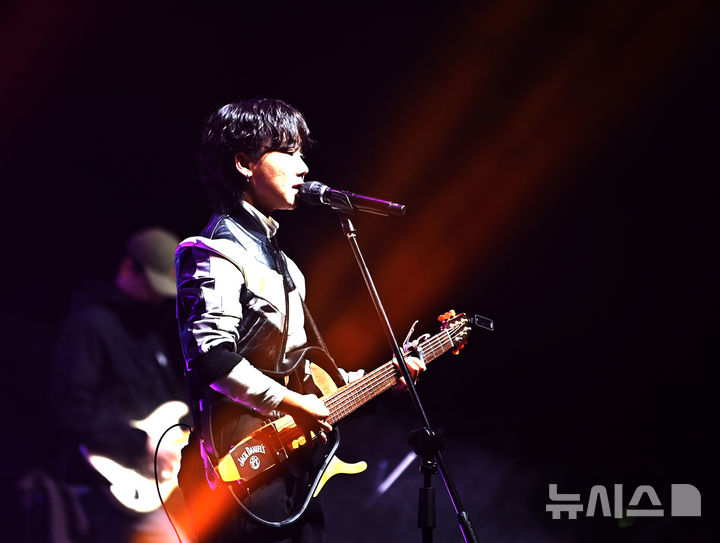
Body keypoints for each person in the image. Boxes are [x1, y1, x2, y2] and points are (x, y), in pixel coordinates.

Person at [175, 98, 424, 543]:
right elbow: (211, 358)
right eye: (289, 152)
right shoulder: (214, 251)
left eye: (302, 153)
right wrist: (291, 403)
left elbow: (302, 375)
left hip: (291, 469)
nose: (304, 167)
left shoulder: (286, 266)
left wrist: (386, 377)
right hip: (240, 469)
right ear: (244, 163)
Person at [51, 227, 193, 543]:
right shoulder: (91, 325)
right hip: (106, 488)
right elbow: (72, 409)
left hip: (154, 485)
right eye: (153, 284)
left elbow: (166, 403)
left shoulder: (147, 332)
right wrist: (141, 445)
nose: (158, 296)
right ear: (129, 267)